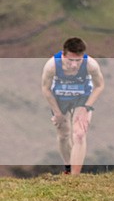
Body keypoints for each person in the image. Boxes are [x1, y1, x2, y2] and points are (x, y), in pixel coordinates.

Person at [41, 37, 105, 175]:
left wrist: (86, 108)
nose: (74, 65)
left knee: (80, 134)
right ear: (64, 55)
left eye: (78, 60)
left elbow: (99, 86)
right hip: (60, 98)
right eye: (70, 60)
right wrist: (57, 113)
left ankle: (74, 178)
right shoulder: (52, 65)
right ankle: (68, 168)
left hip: (82, 98)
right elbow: (45, 89)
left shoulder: (91, 65)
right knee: (64, 135)